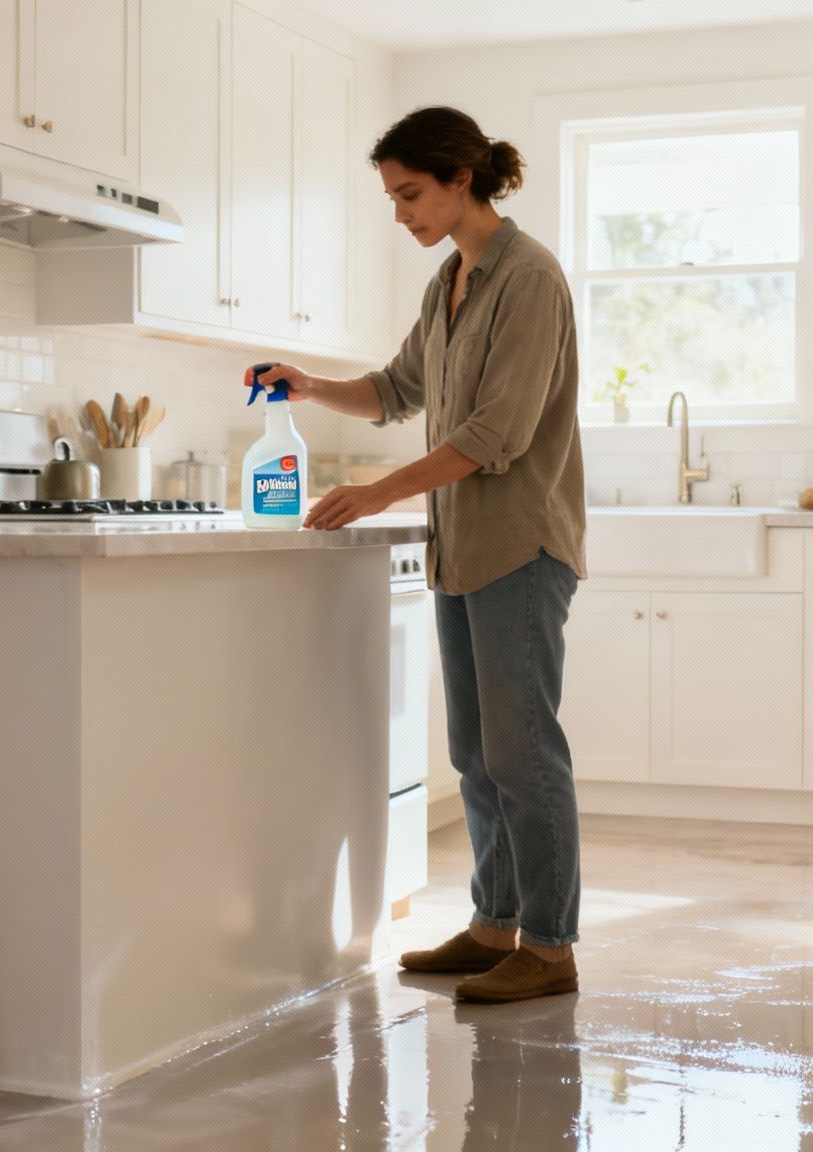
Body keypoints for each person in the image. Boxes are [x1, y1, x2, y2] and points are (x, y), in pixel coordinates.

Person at [246, 105, 586, 1003]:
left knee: (525, 754)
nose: (401, 214)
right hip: (460, 548)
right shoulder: (450, 284)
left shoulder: (530, 279)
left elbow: (497, 433)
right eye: (393, 198)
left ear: (460, 178)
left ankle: (549, 948)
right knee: (477, 754)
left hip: (521, 543)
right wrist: (311, 385)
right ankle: (493, 924)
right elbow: (398, 390)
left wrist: (379, 492)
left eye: (410, 194)